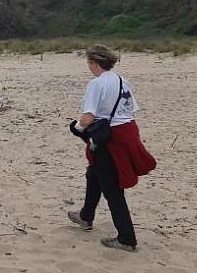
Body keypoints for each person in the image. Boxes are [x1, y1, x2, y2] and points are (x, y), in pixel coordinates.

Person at [67, 45, 156, 252]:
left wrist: (77, 128)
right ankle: (85, 217)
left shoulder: (96, 84)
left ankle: (126, 238)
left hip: (109, 141)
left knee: (113, 190)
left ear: (93, 62)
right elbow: (129, 110)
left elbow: (88, 117)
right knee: (93, 174)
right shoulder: (122, 80)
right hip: (126, 134)